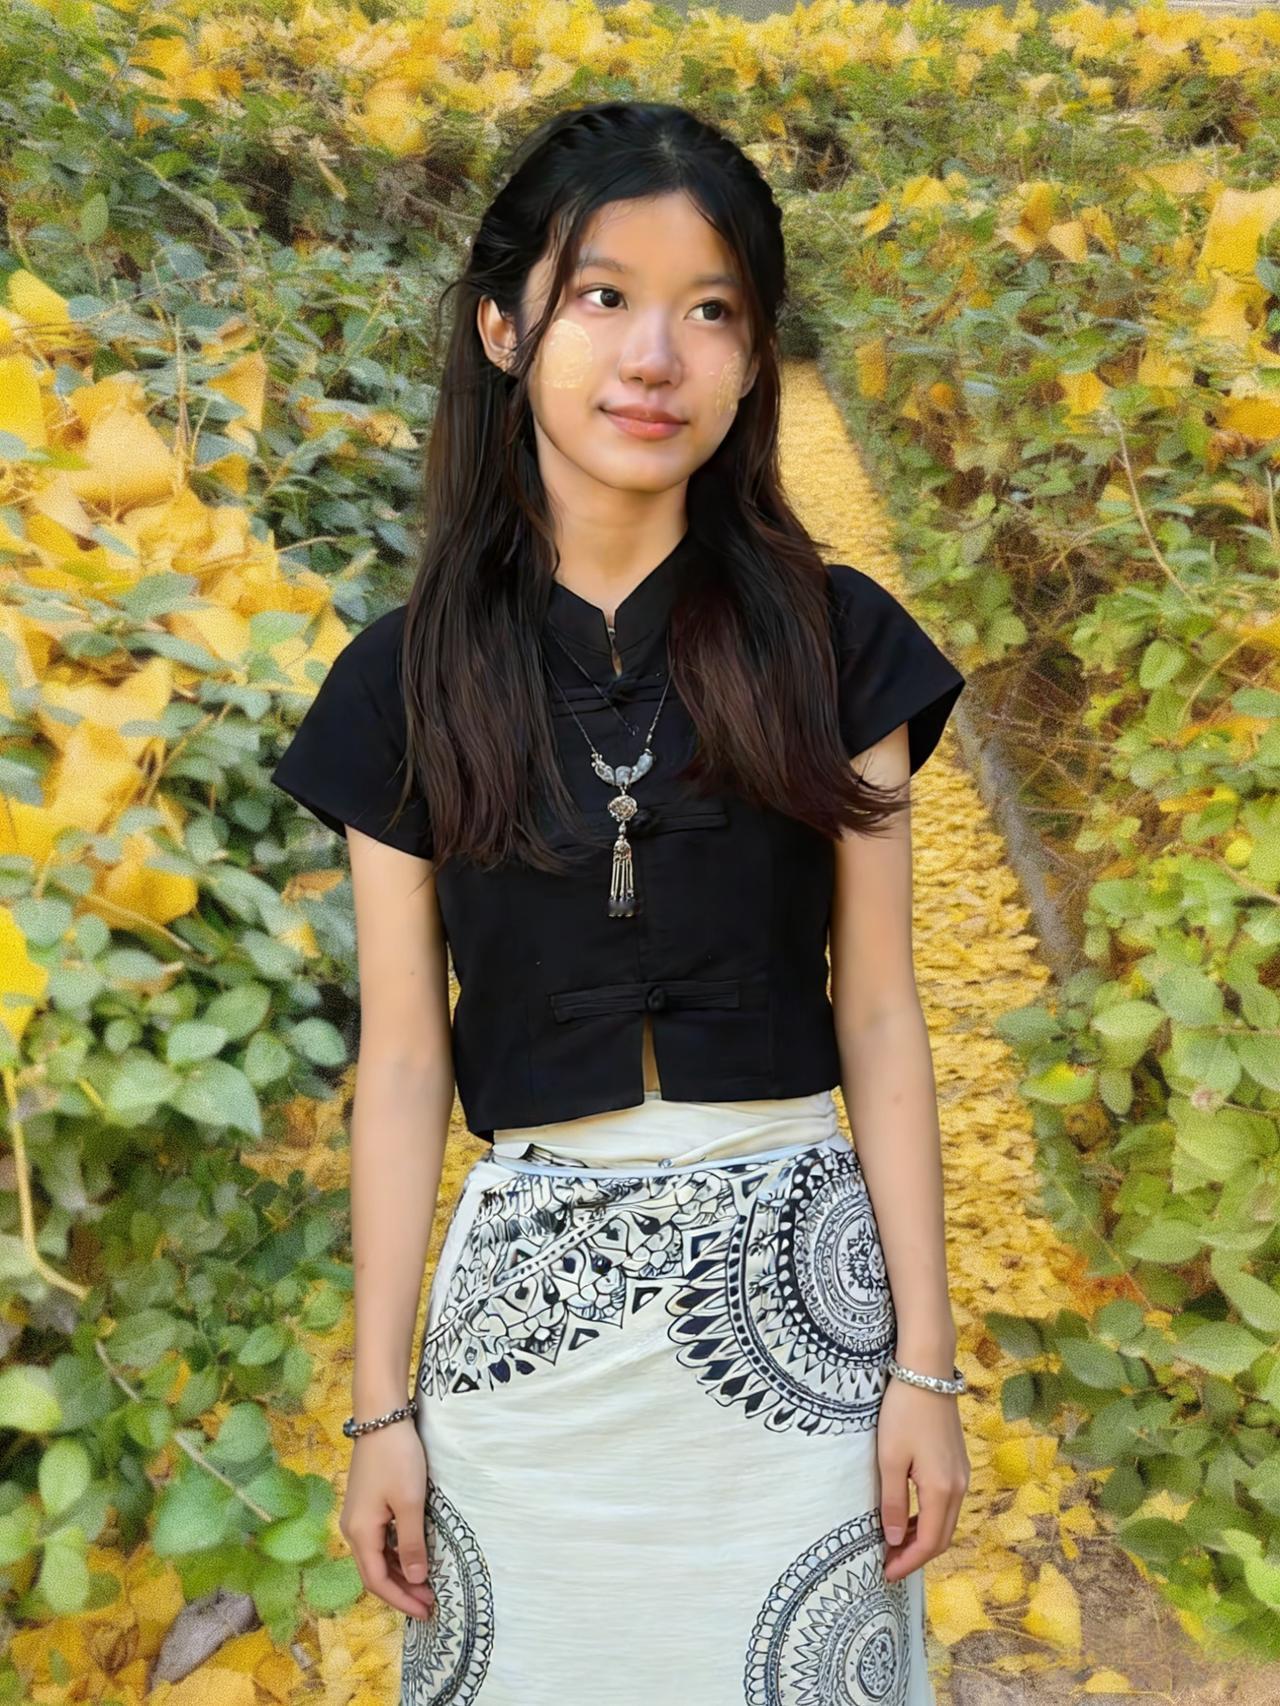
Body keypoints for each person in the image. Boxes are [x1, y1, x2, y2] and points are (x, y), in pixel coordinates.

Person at [270, 99, 971, 1706]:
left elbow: (879, 1012)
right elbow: (404, 1061)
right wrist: (380, 1408)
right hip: (527, 1343)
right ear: (502, 325)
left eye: (711, 309)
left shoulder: (840, 642)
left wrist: (923, 1371)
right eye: (604, 295)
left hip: (802, 1320)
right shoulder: (400, 682)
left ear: (755, 357)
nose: (657, 355)